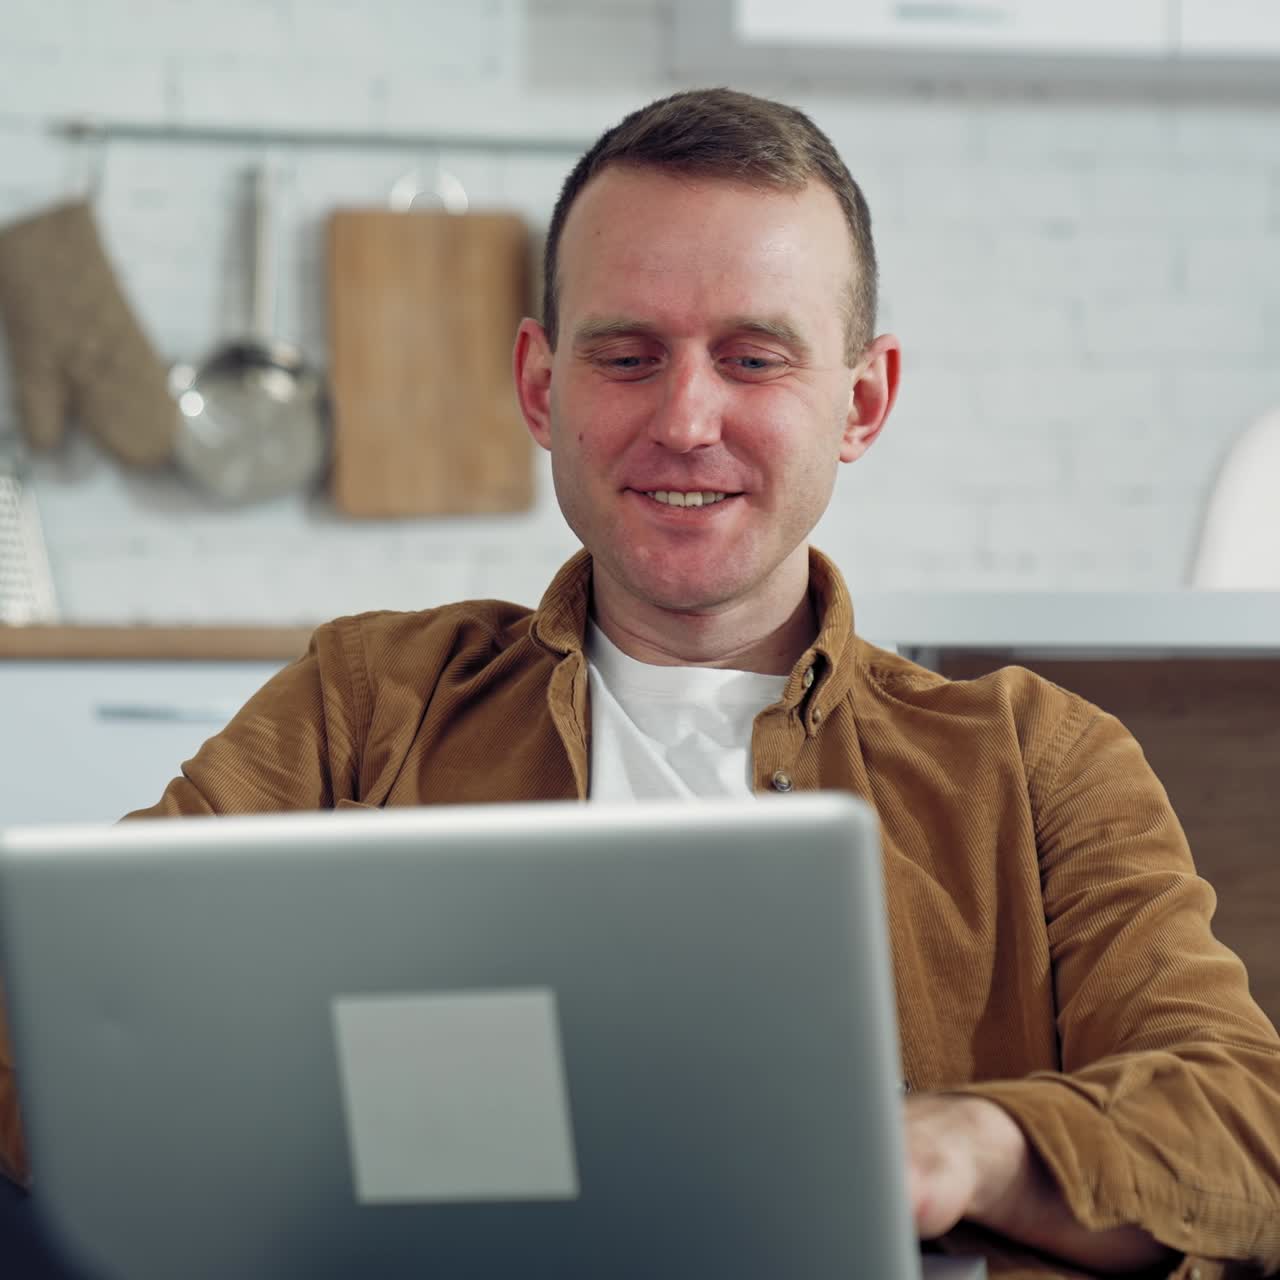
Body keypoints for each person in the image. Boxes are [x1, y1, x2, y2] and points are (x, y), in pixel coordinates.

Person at [3, 88, 1279, 1278]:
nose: (683, 418)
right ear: (538, 386)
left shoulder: (1032, 758)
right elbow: (60, 1031)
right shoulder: (367, 703)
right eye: (625, 355)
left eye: (754, 356)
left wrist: (963, 1144)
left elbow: (1240, 1127)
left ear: (862, 399)